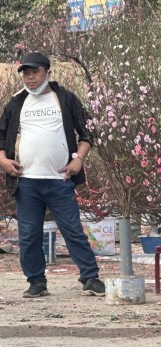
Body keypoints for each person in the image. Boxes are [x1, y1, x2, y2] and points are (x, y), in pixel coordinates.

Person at [0, 52, 105, 298]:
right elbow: (1, 136)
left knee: (72, 230)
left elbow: (88, 131)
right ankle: (36, 282)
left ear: (48, 73)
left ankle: (90, 278)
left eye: (35, 72)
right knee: (29, 234)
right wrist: (3, 161)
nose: (30, 77)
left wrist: (78, 159)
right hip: (25, 182)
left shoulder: (65, 99)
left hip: (60, 180)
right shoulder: (16, 103)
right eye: (26, 73)